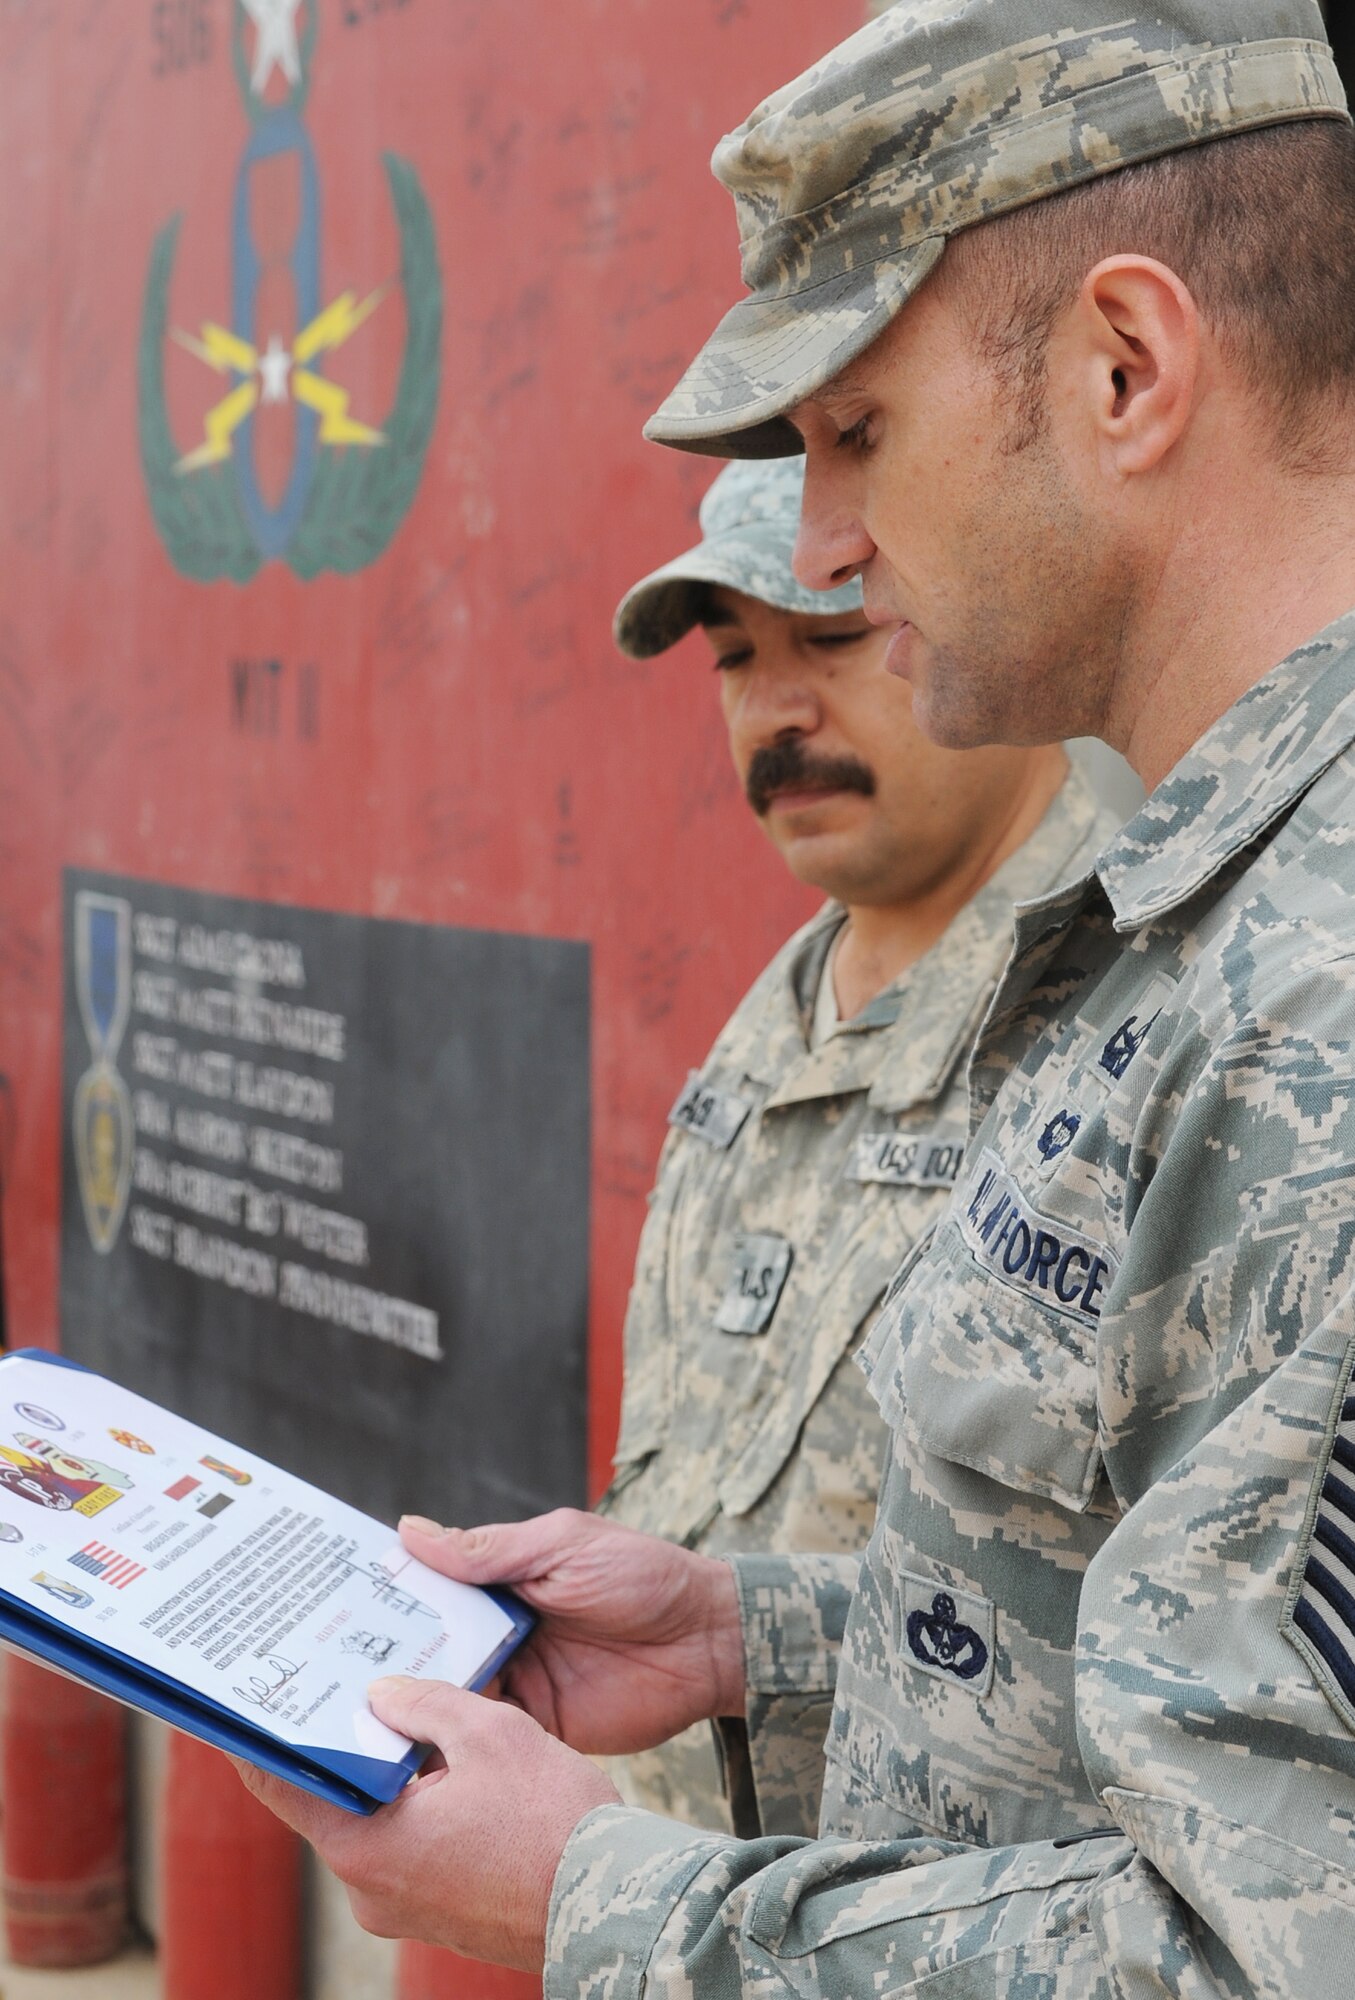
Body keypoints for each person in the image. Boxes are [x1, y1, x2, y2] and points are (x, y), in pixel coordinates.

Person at [239, 3, 1355, 1990]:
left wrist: (607, 1900)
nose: (823, 536)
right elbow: (1170, 1690)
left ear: (1127, 367)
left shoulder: (1322, 992)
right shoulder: (1208, 915)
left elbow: (1274, 1951)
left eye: (856, 430)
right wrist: (762, 1640)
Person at [602, 455, 1103, 1831]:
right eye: (732, 657)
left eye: (829, 637)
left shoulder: (1131, 1029)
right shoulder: (780, 1013)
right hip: (671, 1915)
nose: (775, 708)